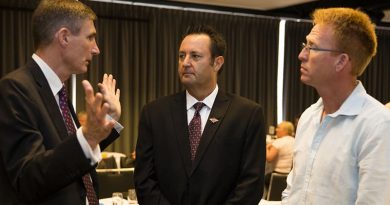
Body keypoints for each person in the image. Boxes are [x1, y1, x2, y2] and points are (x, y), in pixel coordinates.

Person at [0, 0, 122, 204]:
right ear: (64, 37)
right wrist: (87, 137)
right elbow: (28, 178)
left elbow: (71, 158)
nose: (96, 49)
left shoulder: (57, 92)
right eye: (90, 37)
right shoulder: (15, 89)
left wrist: (109, 119)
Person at [134, 25, 266, 205]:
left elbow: (251, 184)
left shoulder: (247, 114)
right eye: (181, 56)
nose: (185, 62)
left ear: (217, 63)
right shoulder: (154, 113)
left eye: (195, 56)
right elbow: (144, 181)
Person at [282, 8, 390, 204]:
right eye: (305, 44)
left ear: (341, 61)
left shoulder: (378, 125)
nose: (301, 55)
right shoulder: (308, 117)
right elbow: (294, 192)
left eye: (312, 47)